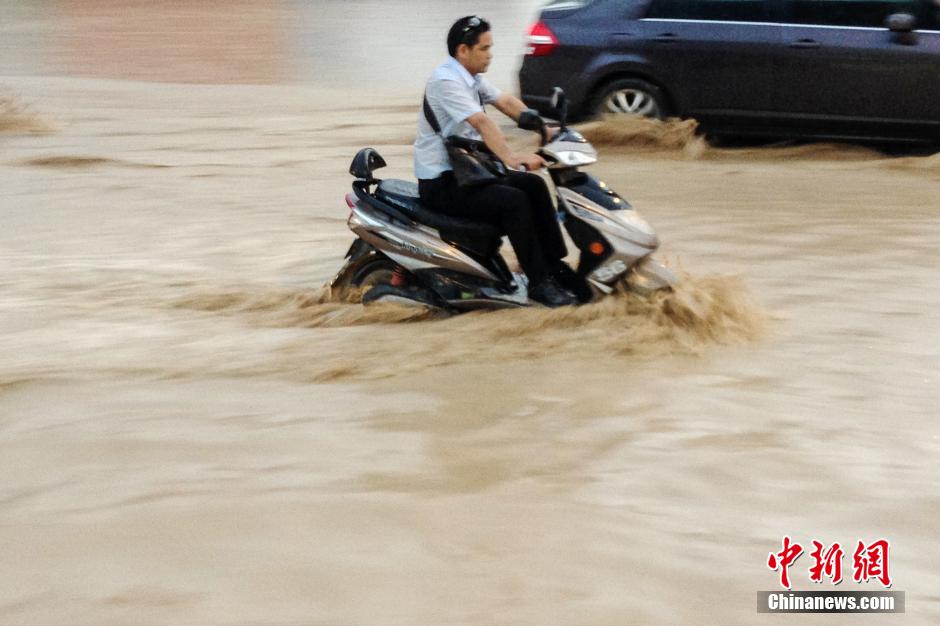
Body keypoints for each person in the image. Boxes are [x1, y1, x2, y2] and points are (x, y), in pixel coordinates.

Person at [414, 15, 578, 307]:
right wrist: (513, 159)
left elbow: (506, 102)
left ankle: (552, 266)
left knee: (534, 186)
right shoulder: (446, 81)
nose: (491, 54)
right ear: (463, 50)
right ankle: (539, 284)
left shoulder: (472, 79)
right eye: (485, 48)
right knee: (513, 201)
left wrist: (544, 127)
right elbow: (482, 123)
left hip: (469, 172)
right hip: (442, 183)